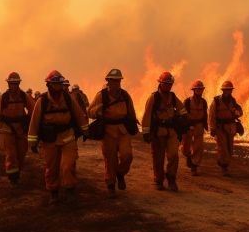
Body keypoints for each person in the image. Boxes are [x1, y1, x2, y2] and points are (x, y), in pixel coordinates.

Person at [28, 70, 89, 204]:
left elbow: (79, 115)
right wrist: (32, 143)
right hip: (49, 140)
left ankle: (70, 189)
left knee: (69, 164)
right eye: (54, 84)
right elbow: (34, 123)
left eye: (59, 84)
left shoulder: (68, 99)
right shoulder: (42, 102)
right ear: (48, 85)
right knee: (52, 167)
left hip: (68, 137)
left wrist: (86, 132)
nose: (57, 86)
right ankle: (53, 192)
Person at [87, 69, 137, 197]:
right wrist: (96, 110)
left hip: (123, 129)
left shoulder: (125, 95)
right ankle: (111, 185)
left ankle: (120, 173)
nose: (117, 82)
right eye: (114, 80)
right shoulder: (101, 95)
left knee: (127, 155)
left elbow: (131, 112)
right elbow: (90, 112)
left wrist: (134, 125)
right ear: (109, 81)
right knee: (110, 159)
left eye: (119, 80)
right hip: (108, 130)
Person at [140, 72, 187, 191]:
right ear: (161, 84)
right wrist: (146, 132)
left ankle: (171, 179)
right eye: (166, 84)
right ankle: (159, 180)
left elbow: (182, 109)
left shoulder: (173, 97)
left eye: (170, 84)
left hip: (171, 131)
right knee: (158, 158)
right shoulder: (153, 98)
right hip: (157, 131)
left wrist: (185, 120)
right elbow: (147, 115)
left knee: (174, 155)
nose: (169, 86)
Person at [0, 72, 35, 185]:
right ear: (8, 84)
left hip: (20, 128)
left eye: (16, 84)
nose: (14, 86)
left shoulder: (25, 97)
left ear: (19, 83)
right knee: (11, 153)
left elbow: (34, 112)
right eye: (12, 83)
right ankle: (12, 176)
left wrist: (32, 127)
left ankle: (17, 173)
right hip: (6, 128)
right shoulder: (3, 98)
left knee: (21, 153)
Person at [207, 81, 243, 177]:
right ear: (223, 90)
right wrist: (212, 128)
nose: (229, 91)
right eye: (227, 90)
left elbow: (241, 112)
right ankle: (224, 166)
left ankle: (222, 161)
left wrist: (236, 112)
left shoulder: (233, 101)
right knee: (222, 146)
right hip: (220, 128)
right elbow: (212, 115)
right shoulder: (216, 101)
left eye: (230, 90)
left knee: (229, 147)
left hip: (231, 128)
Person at [181, 81, 208, 176]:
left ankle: (194, 167)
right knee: (186, 147)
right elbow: (182, 115)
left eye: (201, 89)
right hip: (189, 128)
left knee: (198, 148)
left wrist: (206, 125)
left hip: (199, 127)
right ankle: (188, 155)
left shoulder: (204, 102)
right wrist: (184, 129)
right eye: (198, 89)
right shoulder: (187, 102)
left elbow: (205, 115)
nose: (200, 91)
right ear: (194, 90)